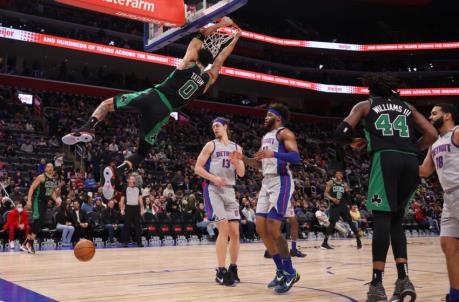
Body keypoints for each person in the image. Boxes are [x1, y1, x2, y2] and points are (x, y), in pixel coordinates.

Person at [62, 17, 242, 200]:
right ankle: (119, 170)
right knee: (141, 152)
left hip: (153, 96)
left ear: (199, 54)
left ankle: (89, 126)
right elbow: (221, 58)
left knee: (107, 104)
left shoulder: (189, 60)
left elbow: (202, 33)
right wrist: (235, 38)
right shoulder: (208, 80)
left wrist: (221, 25)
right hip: (164, 111)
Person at [336, 74, 437, 302]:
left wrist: (352, 142)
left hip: (385, 160)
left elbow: (339, 133)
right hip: (410, 163)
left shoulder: (365, 105)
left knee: (381, 220)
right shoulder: (407, 106)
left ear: (371, 90)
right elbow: (432, 134)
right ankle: (404, 279)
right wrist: (411, 148)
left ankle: (376, 284)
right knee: (396, 221)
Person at [234, 103, 301, 294]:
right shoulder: (265, 137)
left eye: (269, 115)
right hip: (267, 182)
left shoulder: (284, 133)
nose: (265, 117)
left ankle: (290, 272)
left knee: (273, 226)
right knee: (260, 228)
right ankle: (280, 270)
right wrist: (243, 158)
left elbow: (296, 157)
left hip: (282, 182)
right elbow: (260, 165)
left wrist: (275, 153)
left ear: (278, 118)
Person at [195, 117, 245, 286]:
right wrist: (213, 178)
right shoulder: (211, 145)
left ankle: (233, 267)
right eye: (213, 126)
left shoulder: (237, 147)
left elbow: (242, 173)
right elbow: (198, 168)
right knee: (223, 230)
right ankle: (220, 270)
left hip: (230, 190)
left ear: (225, 126)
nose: (215, 129)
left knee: (235, 234)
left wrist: (236, 161)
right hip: (214, 190)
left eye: (217, 126)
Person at [419, 103, 459, 302]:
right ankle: (455, 295)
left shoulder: (457, 132)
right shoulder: (434, 142)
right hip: (449, 197)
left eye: (434, 113)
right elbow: (425, 171)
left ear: (448, 115)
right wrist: (398, 160)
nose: (430, 116)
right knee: (448, 244)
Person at [321, 170, 361, 250]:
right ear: (335, 175)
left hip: (342, 205)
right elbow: (325, 194)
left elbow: (347, 196)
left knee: (350, 221)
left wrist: (350, 202)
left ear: (342, 175)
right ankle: (324, 243)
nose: (338, 174)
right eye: (337, 173)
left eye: (340, 173)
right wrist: (333, 199)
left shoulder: (345, 184)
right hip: (334, 205)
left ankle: (358, 240)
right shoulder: (331, 182)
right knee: (332, 223)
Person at [26, 163, 58, 253]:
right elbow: (32, 188)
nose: (50, 168)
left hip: (44, 203)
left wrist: (56, 200)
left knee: (39, 223)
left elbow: (51, 192)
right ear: (45, 169)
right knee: (37, 221)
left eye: (51, 167)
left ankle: (26, 243)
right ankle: (29, 245)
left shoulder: (53, 180)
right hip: (37, 201)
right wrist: (29, 200)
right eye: (48, 166)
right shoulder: (41, 177)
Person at [119, 174, 144, 247]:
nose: (133, 180)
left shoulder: (138, 188)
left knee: (138, 226)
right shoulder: (125, 188)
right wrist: (122, 209)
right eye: (131, 179)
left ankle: (139, 242)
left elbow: (140, 199)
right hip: (128, 208)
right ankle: (126, 242)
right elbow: (122, 200)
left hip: (136, 208)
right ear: (128, 180)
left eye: (134, 179)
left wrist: (142, 209)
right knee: (126, 226)